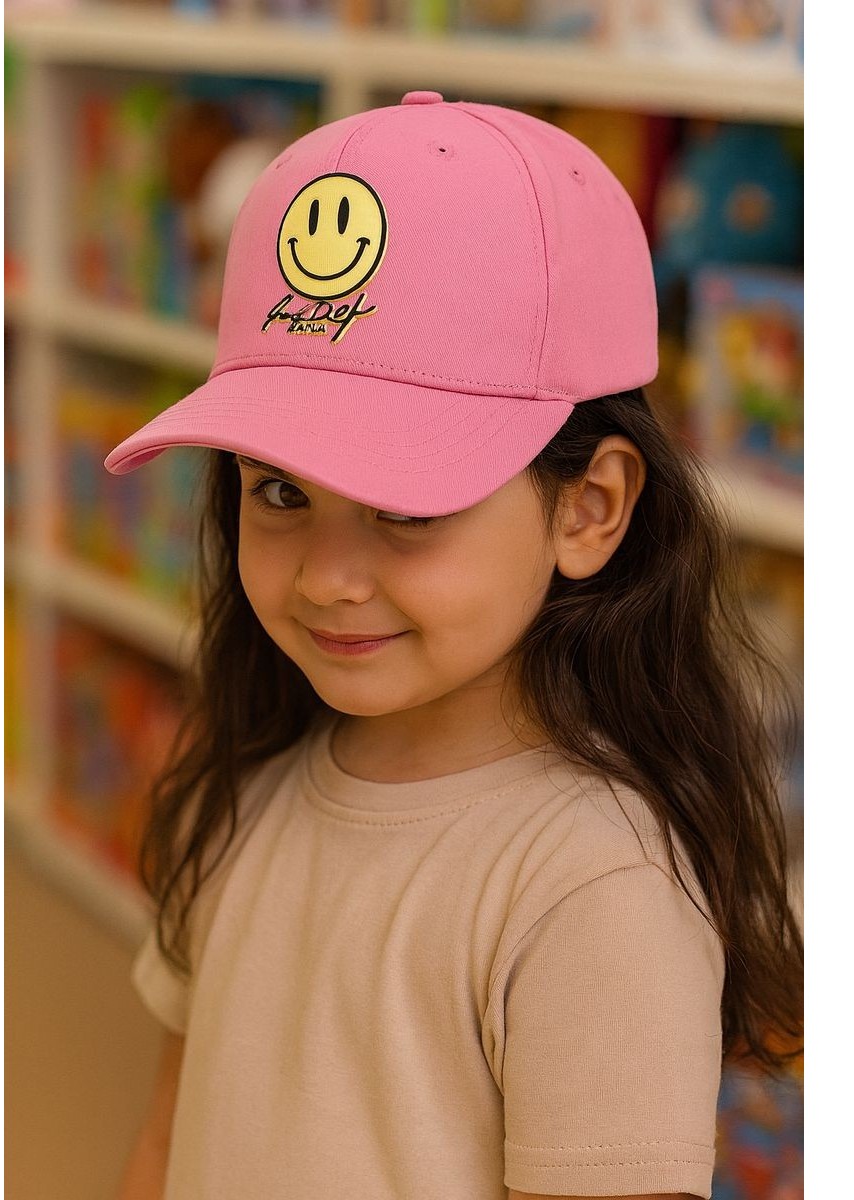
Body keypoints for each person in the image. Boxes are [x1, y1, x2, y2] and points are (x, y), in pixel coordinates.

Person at [105, 93, 803, 1200]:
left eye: (409, 507)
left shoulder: (597, 891)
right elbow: (165, 1140)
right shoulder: (241, 784)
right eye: (279, 491)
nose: (327, 577)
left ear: (590, 508)